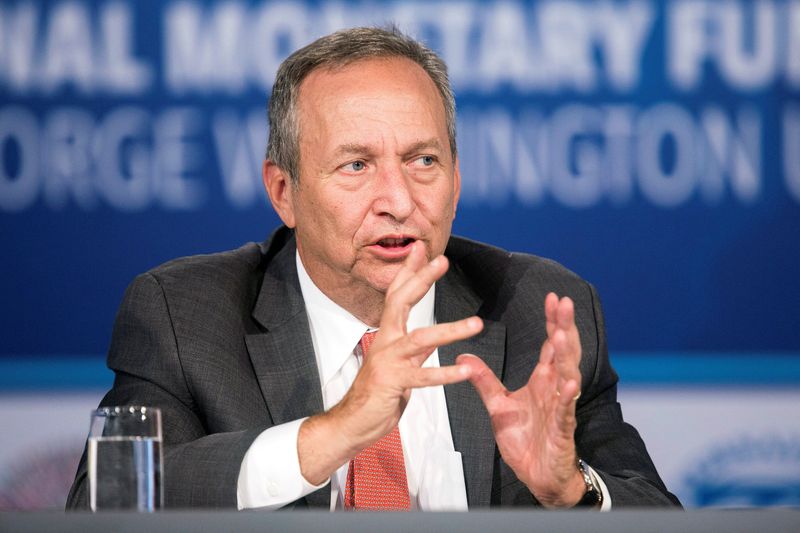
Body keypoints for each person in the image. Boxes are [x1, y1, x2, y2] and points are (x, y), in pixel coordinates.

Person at [67, 26, 679, 510]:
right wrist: (333, 433)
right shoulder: (185, 316)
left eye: (423, 161)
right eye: (356, 165)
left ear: (457, 182)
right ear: (283, 191)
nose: (400, 200)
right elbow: (107, 505)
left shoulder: (537, 311)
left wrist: (570, 490)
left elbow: (655, 511)